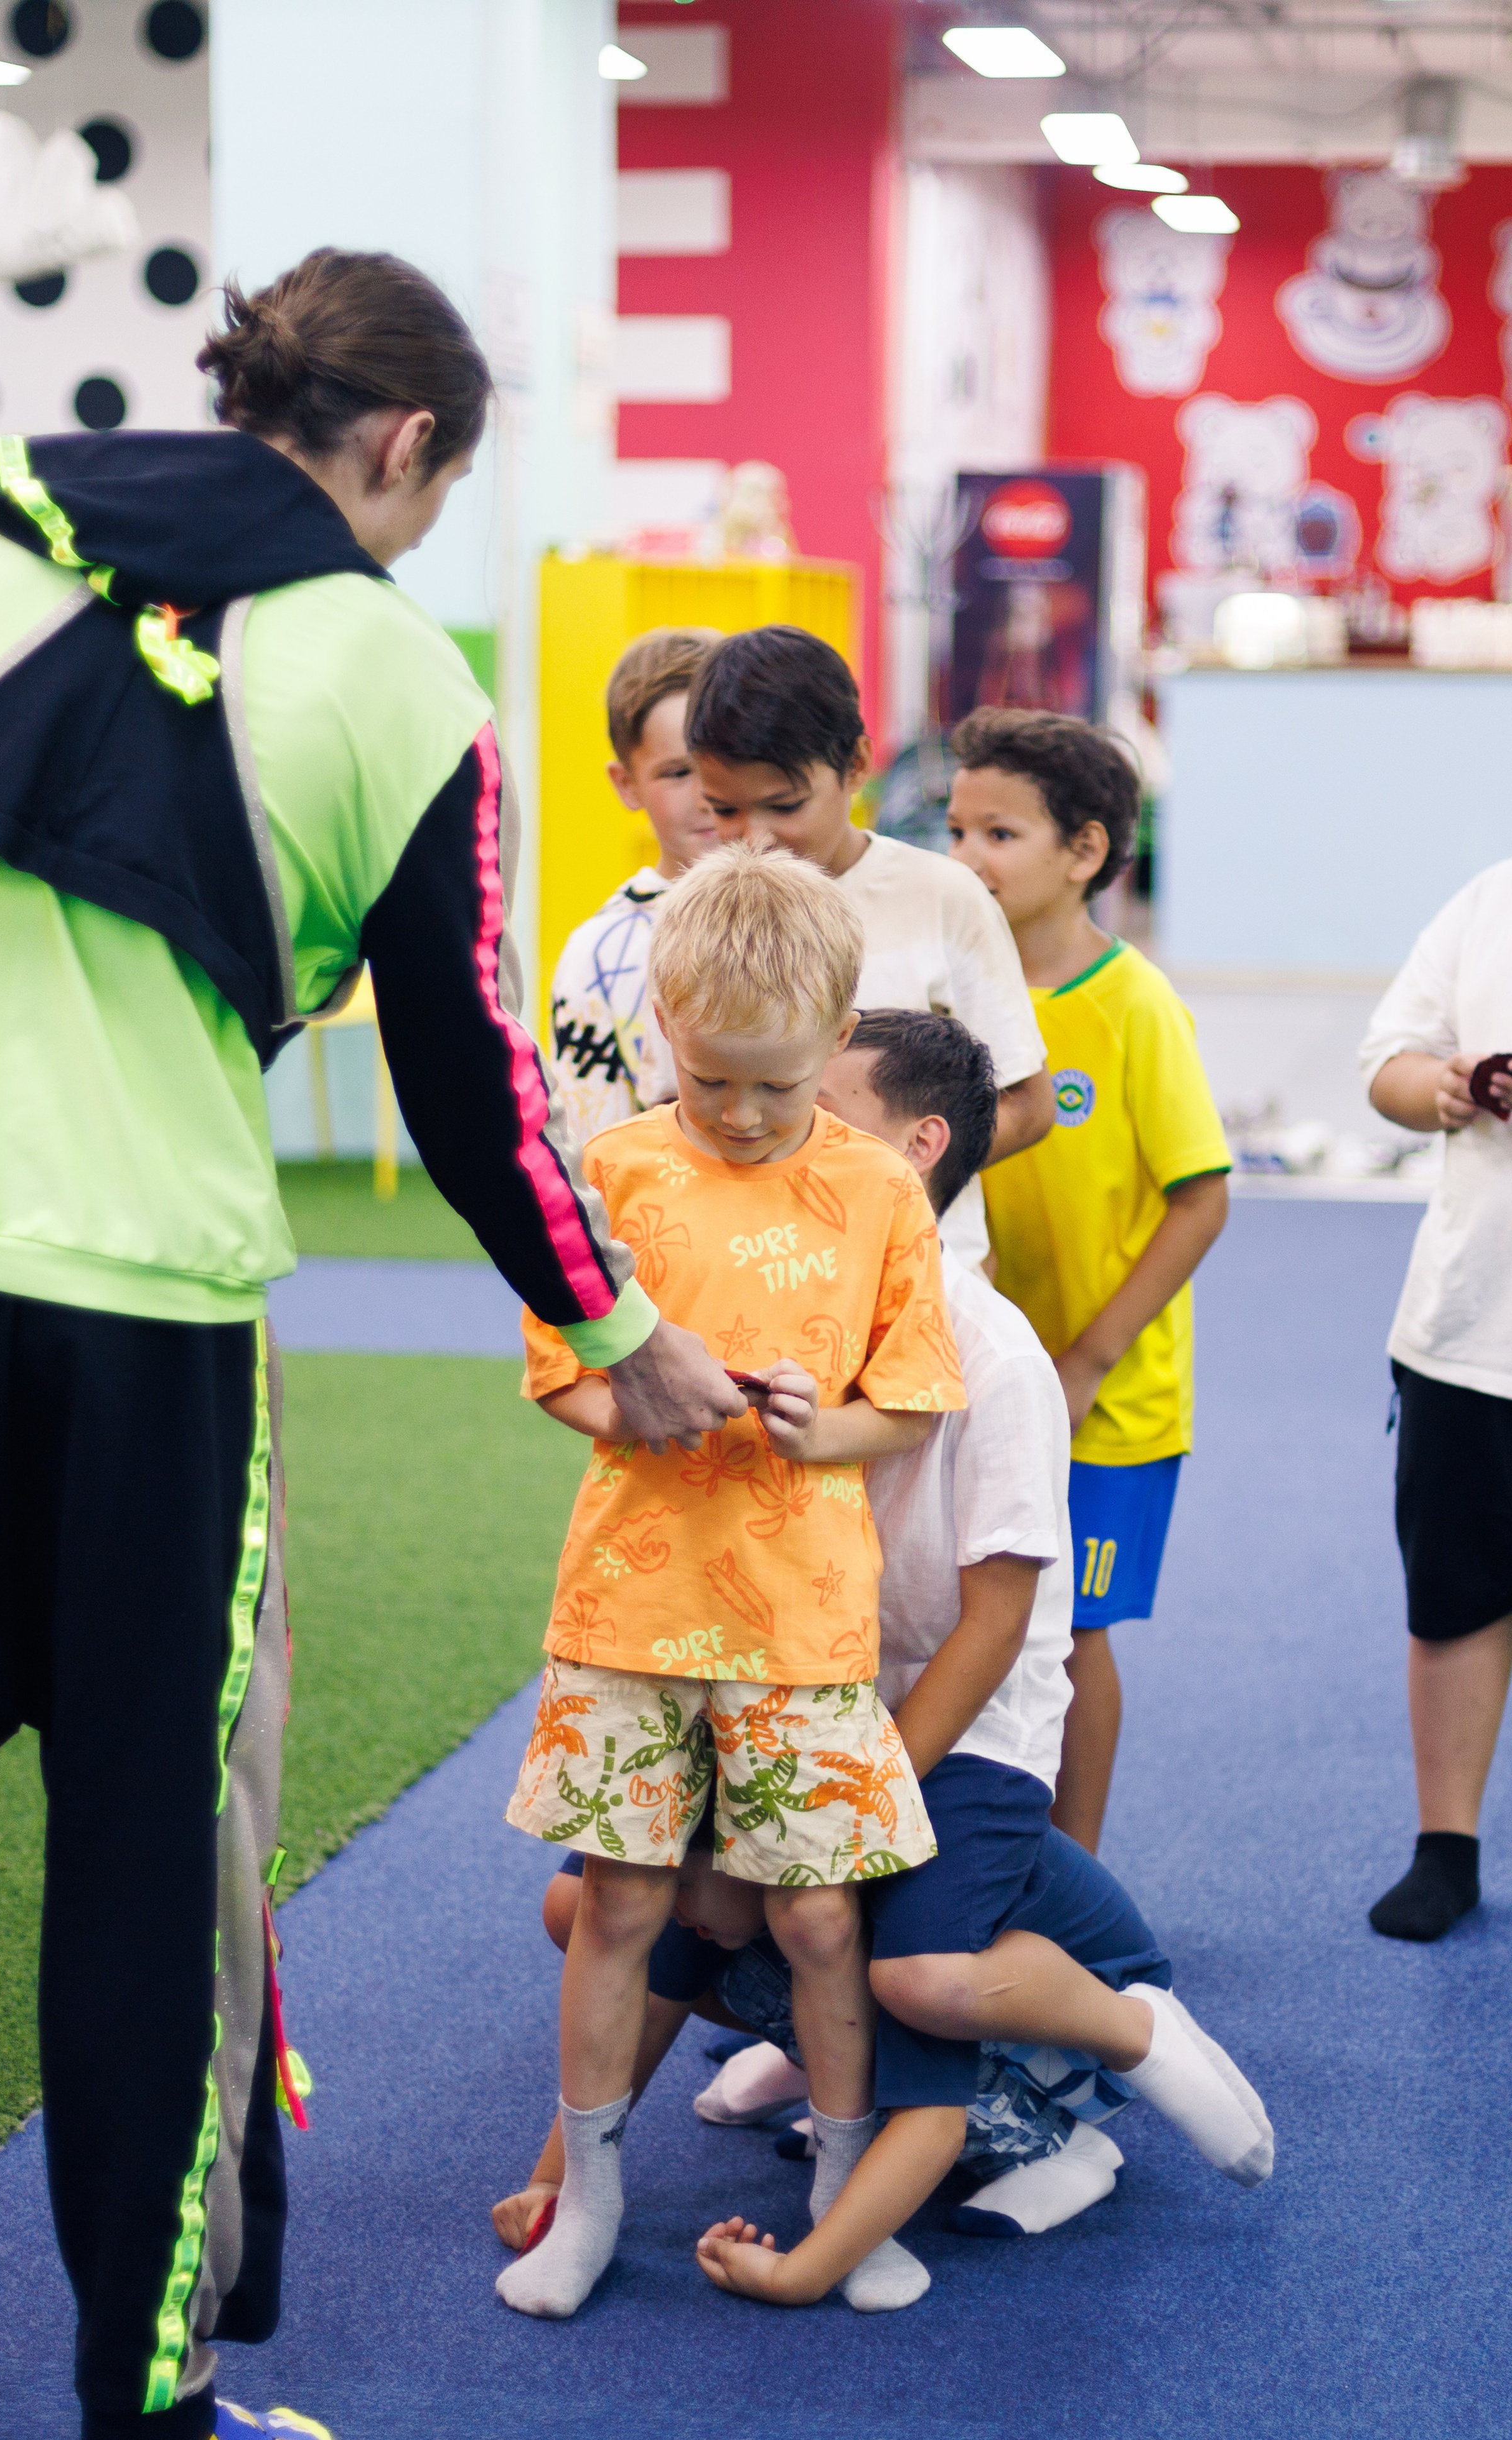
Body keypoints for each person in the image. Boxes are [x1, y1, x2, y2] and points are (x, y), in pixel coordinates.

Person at [0, 248, 741, 2440]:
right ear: (403, 447)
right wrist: (623, 1332)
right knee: (147, 1895)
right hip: (143, 1338)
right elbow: (475, 1087)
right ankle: (140, 2405)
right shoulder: (401, 677)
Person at [496, 1013, 1271, 2295]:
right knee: (596, 1904)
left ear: (908, 1154)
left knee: (900, 1960)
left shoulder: (988, 1349)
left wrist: (869, 1798)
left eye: (811, 1102)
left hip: (947, 1731)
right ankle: (790, 2052)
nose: (763, 1126)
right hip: (796, 1695)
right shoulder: (766, 1276)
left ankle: (1112, 2035)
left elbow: (1000, 1620)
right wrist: (552, 2173)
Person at [496, 846, 963, 2321]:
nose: (748, 1113)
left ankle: (836, 2187)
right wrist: (634, 1403)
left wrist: (816, 1423)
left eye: (779, 1082)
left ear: (834, 1040)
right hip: (628, 1610)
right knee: (622, 1898)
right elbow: (558, 1372)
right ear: (665, 1045)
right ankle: (588, 2197)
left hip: (801, 1618)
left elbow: (911, 1397)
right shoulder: (617, 1168)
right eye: (712, 1083)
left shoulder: (879, 1186)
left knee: (818, 1917)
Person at [947, 708, 1230, 1852]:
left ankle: (1073, 1878)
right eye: (957, 829)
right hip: (979, 1376)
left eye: (1001, 833)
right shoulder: (957, 997)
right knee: (971, 1615)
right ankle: (972, 1860)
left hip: (1106, 1403)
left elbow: (1202, 1196)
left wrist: (1088, 1358)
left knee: (1070, 1633)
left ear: (1088, 852)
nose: (968, 857)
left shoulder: (1135, 1006)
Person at [683, 624, 1052, 1271]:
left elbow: (1027, 1100)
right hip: (756, 1271)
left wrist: (886, 1167)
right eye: (724, 811)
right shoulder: (699, 911)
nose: (756, 839)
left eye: (784, 805)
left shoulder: (944, 896)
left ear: (855, 765)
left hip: (919, 1269)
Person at [1360, 861, 1512, 1942]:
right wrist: (1449, 1086)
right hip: (1472, 1330)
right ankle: (1445, 1848)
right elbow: (1391, 1069)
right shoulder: (1492, 900)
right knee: (1455, 1596)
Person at [549, 626, 720, 1143]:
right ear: (627, 784)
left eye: (727, 757)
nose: (709, 791)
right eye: (677, 772)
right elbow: (596, 1146)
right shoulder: (600, 953)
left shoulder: (824, 911)